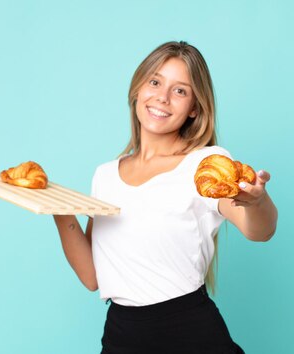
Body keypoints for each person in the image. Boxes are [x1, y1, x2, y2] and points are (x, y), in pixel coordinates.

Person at [53, 41, 278, 354]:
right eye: (155, 82)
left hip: (189, 335)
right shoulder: (105, 175)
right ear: (138, 88)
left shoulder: (203, 164)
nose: (162, 97)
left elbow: (260, 231)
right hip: (121, 335)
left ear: (195, 108)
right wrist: (57, 209)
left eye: (180, 91)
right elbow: (93, 277)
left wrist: (256, 202)